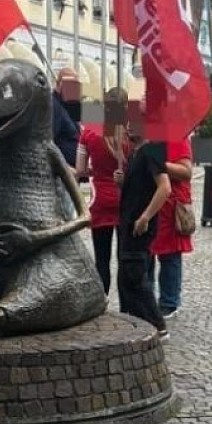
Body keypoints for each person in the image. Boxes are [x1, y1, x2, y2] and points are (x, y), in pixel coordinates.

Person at [117, 124, 170, 336]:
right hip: (128, 222)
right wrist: (122, 182)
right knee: (127, 277)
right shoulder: (136, 152)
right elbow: (138, 187)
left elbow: (164, 187)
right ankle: (135, 323)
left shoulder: (152, 149)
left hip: (139, 225)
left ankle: (157, 326)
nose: (129, 126)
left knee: (135, 275)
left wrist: (146, 216)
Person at [76, 88, 130, 294]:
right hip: (125, 199)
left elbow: (81, 170)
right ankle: (128, 305)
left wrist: (95, 170)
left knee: (102, 259)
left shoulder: (89, 131)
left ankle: (102, 301)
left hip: (100, 202)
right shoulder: (132, 132)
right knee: (125, 258)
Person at [148, 137, 194, 318]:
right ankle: (148, 299)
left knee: (170, 255)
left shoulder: (177, 138)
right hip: (151, 203)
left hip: (172, 205)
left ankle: (169, 301)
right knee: (147, 254)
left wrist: (158, 164)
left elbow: (186, 171)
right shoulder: (145, 139)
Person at [52, 67, 82, 168]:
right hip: (64, 169)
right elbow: (50, 140)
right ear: (59, 84)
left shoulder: (68, 103)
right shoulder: (53, 106)